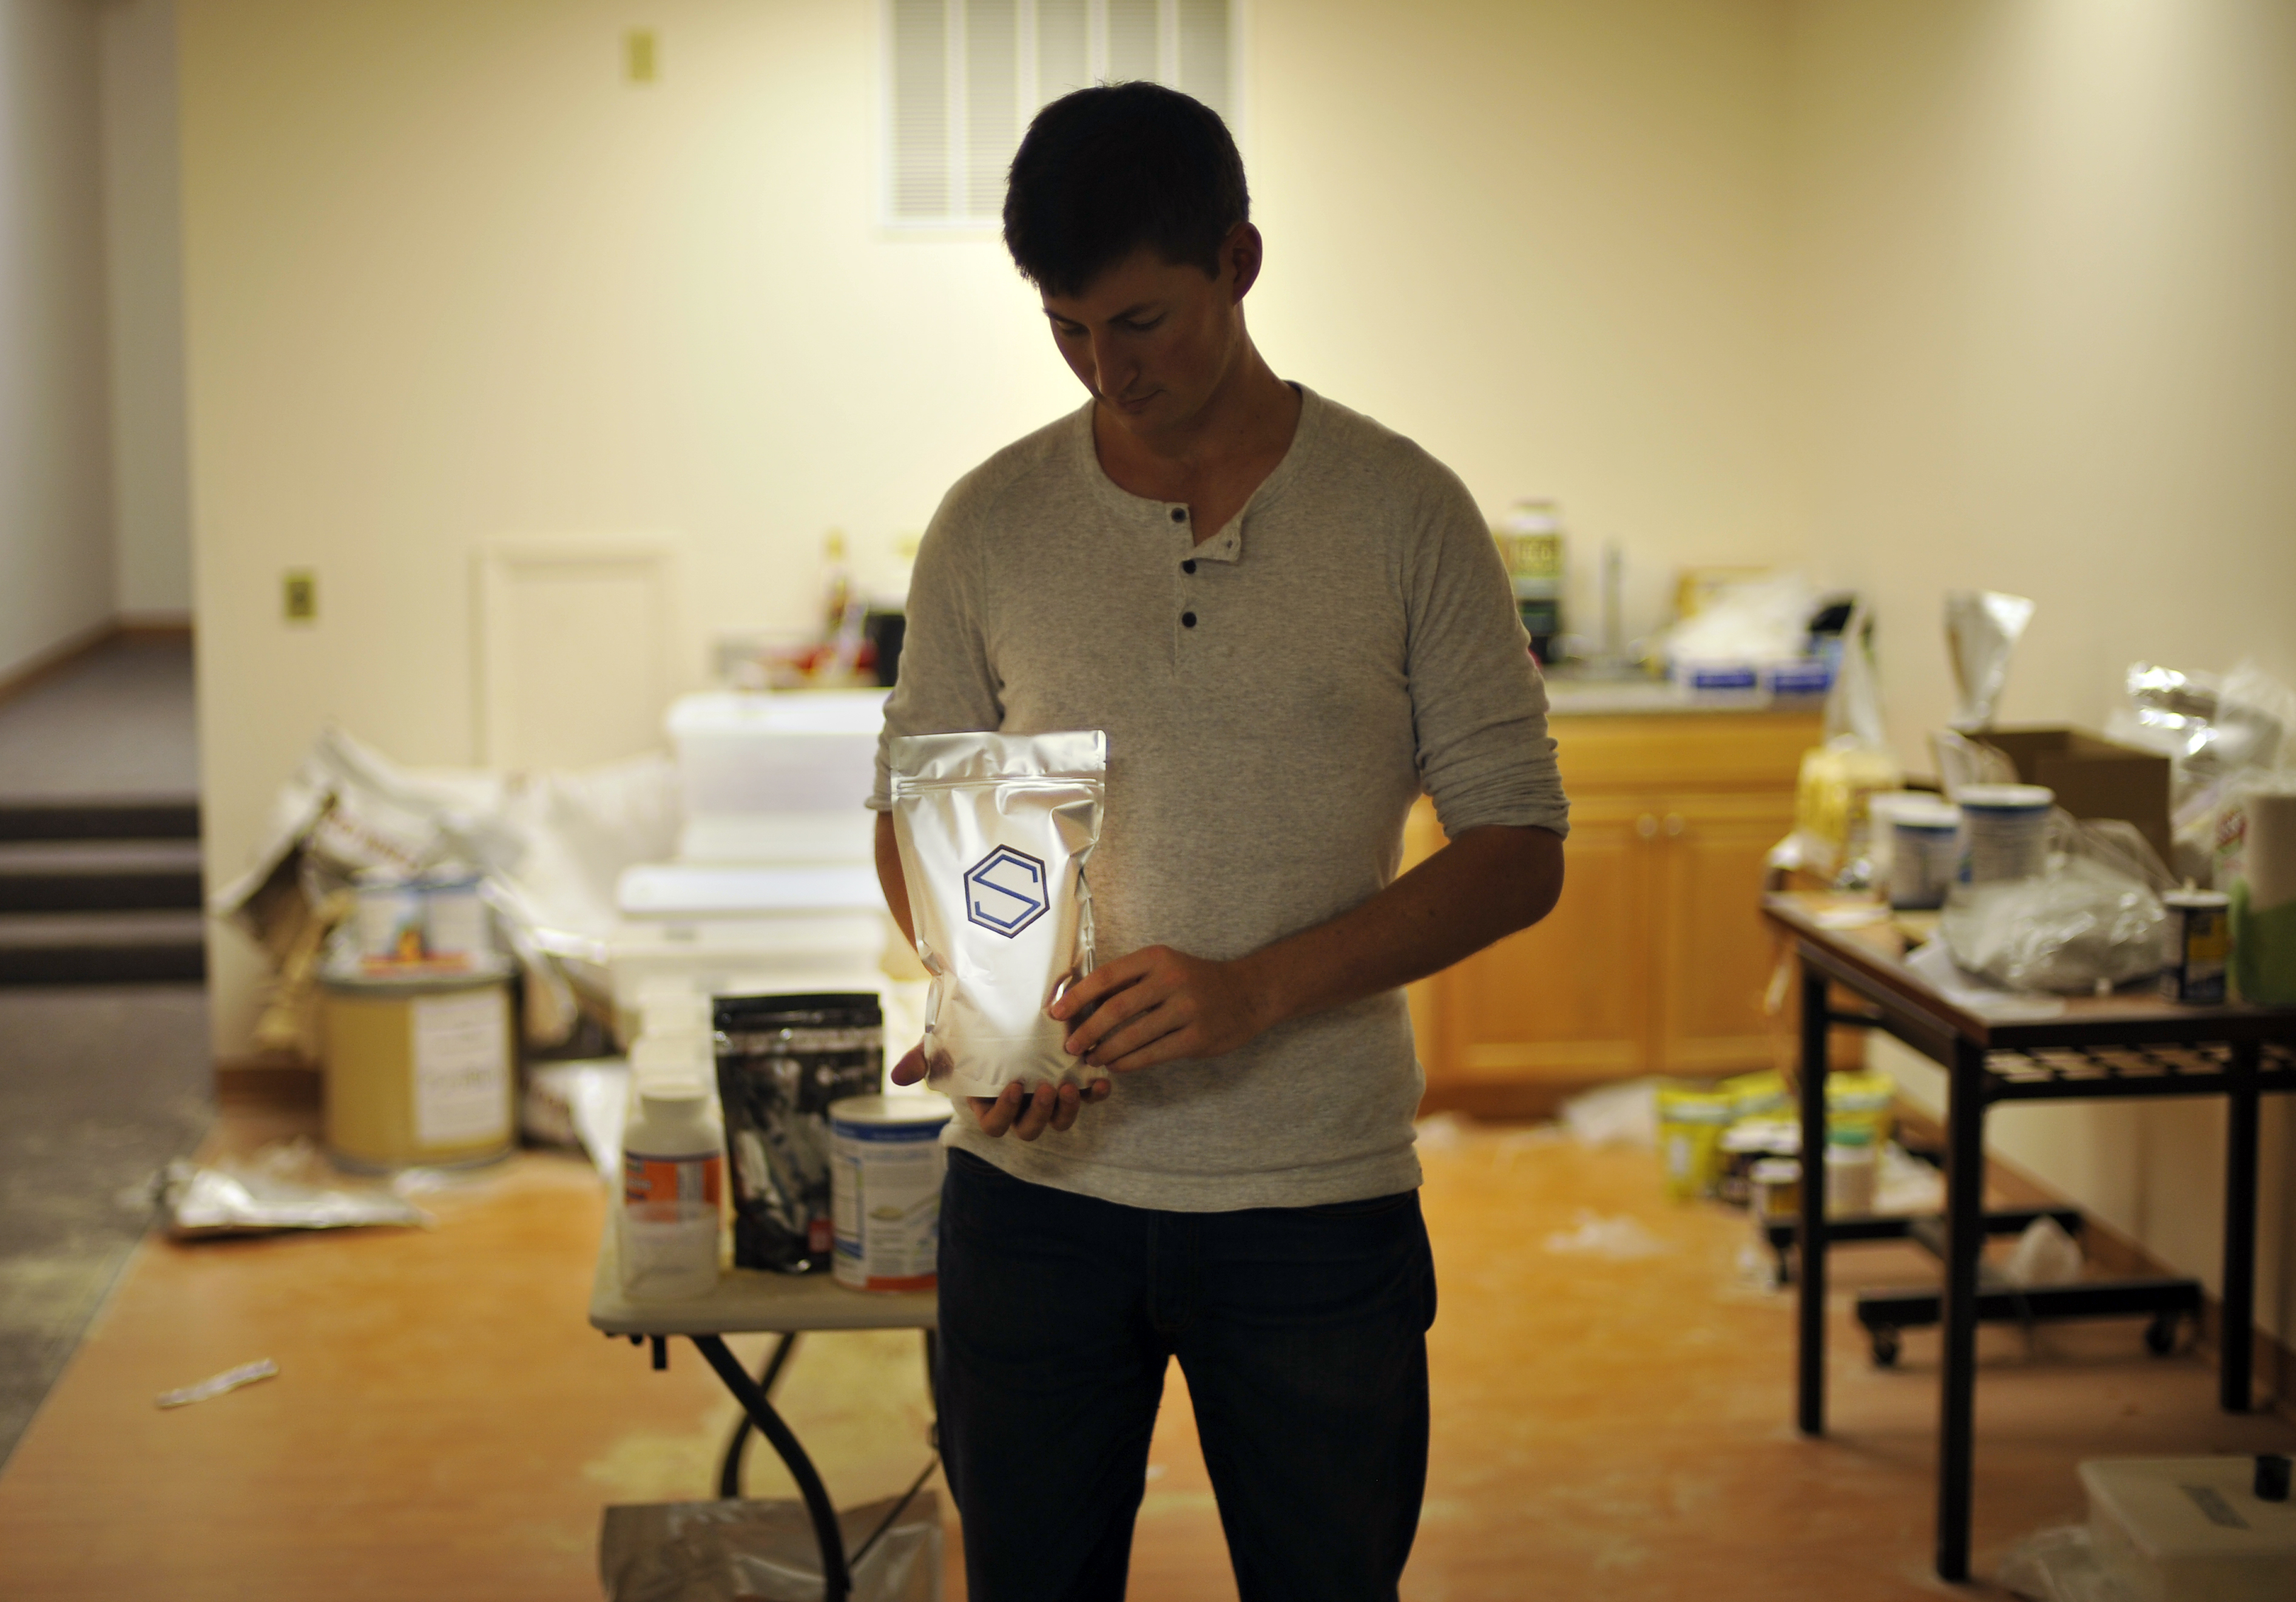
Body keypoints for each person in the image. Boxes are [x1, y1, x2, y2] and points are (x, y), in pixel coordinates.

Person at [867, 81, 1568, 1602]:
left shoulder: (1403, 514)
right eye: (1065, 330)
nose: (1105, 374)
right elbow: (918, 810)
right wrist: (985, 1012)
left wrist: (1252, 991)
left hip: (1311, 1205)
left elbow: (1518, 845)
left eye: (1140, 324)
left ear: (1239, 262)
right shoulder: (988, 524)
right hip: (1037, 1202)